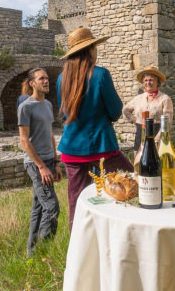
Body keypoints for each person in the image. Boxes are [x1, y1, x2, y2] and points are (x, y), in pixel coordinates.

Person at [57, 27, 134, 230]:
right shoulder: (100, 75)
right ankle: (128, 230)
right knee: (132, 183)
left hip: (72, 148)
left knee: (77, 200)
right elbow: (116, 111)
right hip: (101, 146)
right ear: (90, 49)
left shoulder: (61, 78)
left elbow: (64, 114)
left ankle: (78, 245)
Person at [18, 68, 62, 257]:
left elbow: (50, 134)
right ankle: (45, 253)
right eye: (41, 78)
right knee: (52, 207)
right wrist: (42, 167)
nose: (46, 81)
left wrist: (56, 162)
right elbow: (24, 140)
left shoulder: (48, 105)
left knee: (38, 208)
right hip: (36, 164)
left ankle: (31, 254)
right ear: (32, 83)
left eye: (46, 78)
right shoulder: (26, 107)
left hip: (49, 161)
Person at [122, 66, 174, 164]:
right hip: (140, 134)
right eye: (145, 80)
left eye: (151, 80)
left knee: (156, 164)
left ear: (157, 82)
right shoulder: (138, 98)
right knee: (139, 162)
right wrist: (135, 120)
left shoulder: (165, 99)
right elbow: (125, 110)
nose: (148, 83)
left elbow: (168, 122)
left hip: (157, 133)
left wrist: (158, 139)